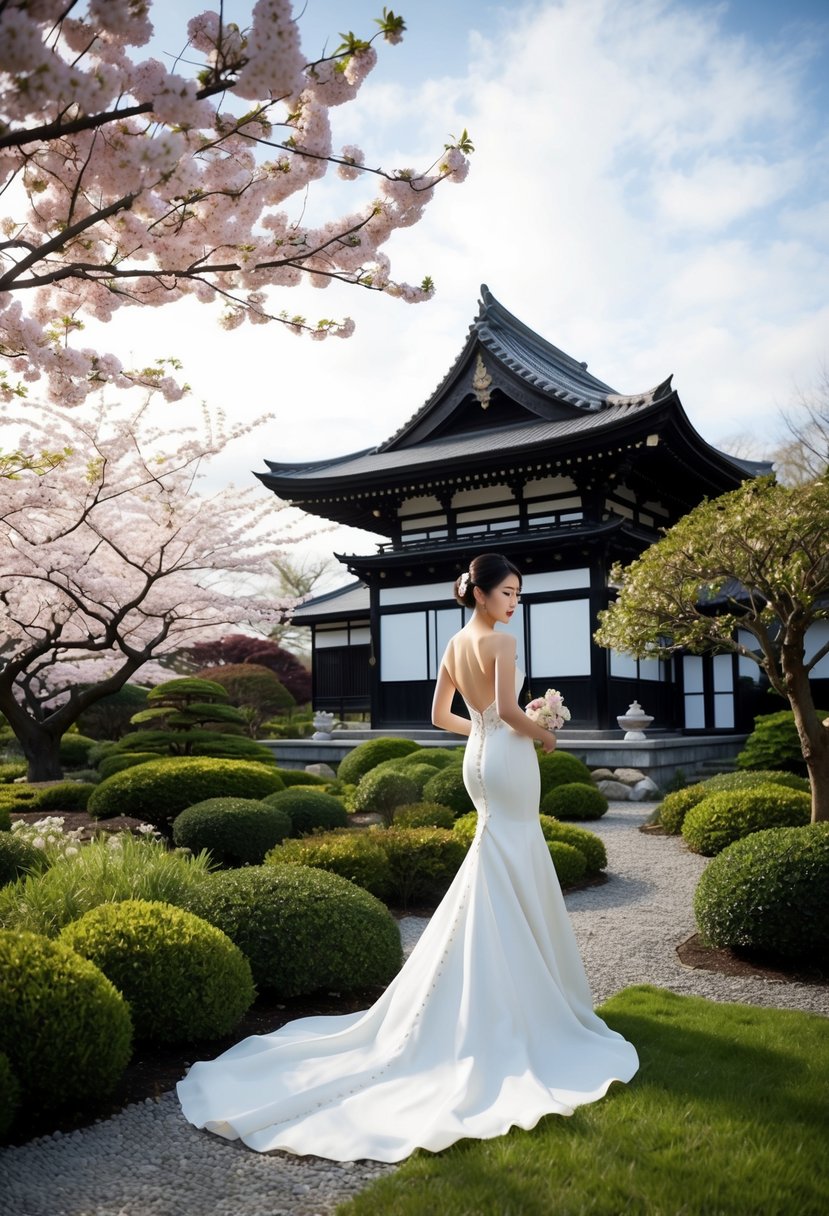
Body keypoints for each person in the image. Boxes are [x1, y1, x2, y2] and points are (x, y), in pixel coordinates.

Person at [176, 552, 639, 1162]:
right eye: (507, 593)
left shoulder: (453, 643)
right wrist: (544, 730)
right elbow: (505, 711)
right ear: (480, 594)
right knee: (513, 851)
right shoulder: (500, 644)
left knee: (495, 855)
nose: (514, 602)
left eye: (518, 594)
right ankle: (527, 994)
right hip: (508, 761)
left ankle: (502, 981)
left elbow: (440, 715)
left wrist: (483, 734)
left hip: (478, 762)